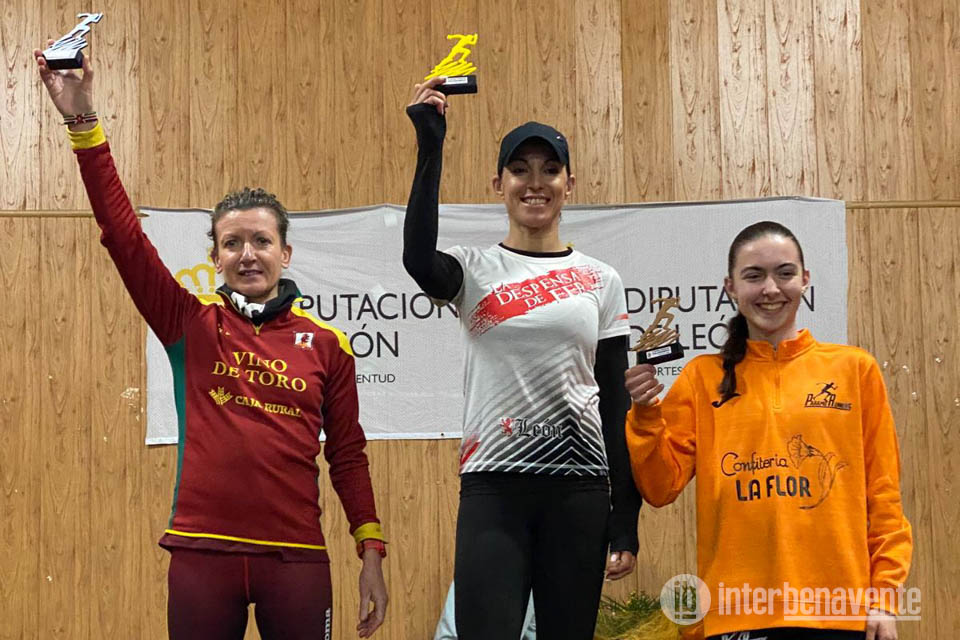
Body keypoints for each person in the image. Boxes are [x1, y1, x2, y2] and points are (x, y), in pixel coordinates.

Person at [35, 44, 388, 640]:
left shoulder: (328, 344)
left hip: (296, 559)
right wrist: (82, 122)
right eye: (232, 244)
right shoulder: (188, 322)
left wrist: (370, 549)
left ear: (285, 253)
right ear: (216, 257)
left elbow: (348, 453)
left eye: (261, 241)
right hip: (201, 555)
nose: (248, 254)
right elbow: (123, 235)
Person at [403, 77, 642, 640]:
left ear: (569, 184)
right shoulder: (472, 269)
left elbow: (615, 402)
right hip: (493, 487)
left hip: (579, 489)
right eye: (520, 170)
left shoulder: (600, 279)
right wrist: (430, 143)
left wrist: (625, 519)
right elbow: (417, 259)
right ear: (499, 184)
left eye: (549, 170)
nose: (535, 183)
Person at [624, 221, 912, 640]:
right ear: (730, 287)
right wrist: (646, 413)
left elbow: (883, 497)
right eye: (754, 276)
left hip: (838, 613)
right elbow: (658, 487)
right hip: (736, 614)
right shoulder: (703, 377)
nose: (771, 289)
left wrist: (884, 598)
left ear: (805, 279)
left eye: (785, 273)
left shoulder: (854, 369)